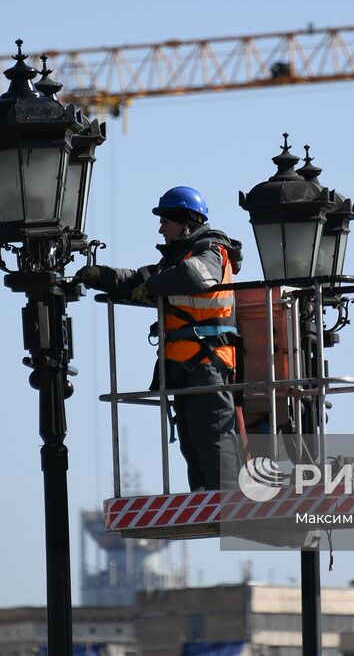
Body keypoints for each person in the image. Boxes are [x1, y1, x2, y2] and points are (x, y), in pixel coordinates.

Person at [77, 186, 243, 491]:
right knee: (192, 439)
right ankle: (204, 497)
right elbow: (140, 279)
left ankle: (230, 498)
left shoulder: (210, 250)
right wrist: (101, 276)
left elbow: (194, 278)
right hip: (184, 365)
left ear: (187, 221)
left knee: (214, 433)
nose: (161, 227)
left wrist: (153, 287)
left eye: (166, 220)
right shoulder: (176, 260)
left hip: (208, 361)